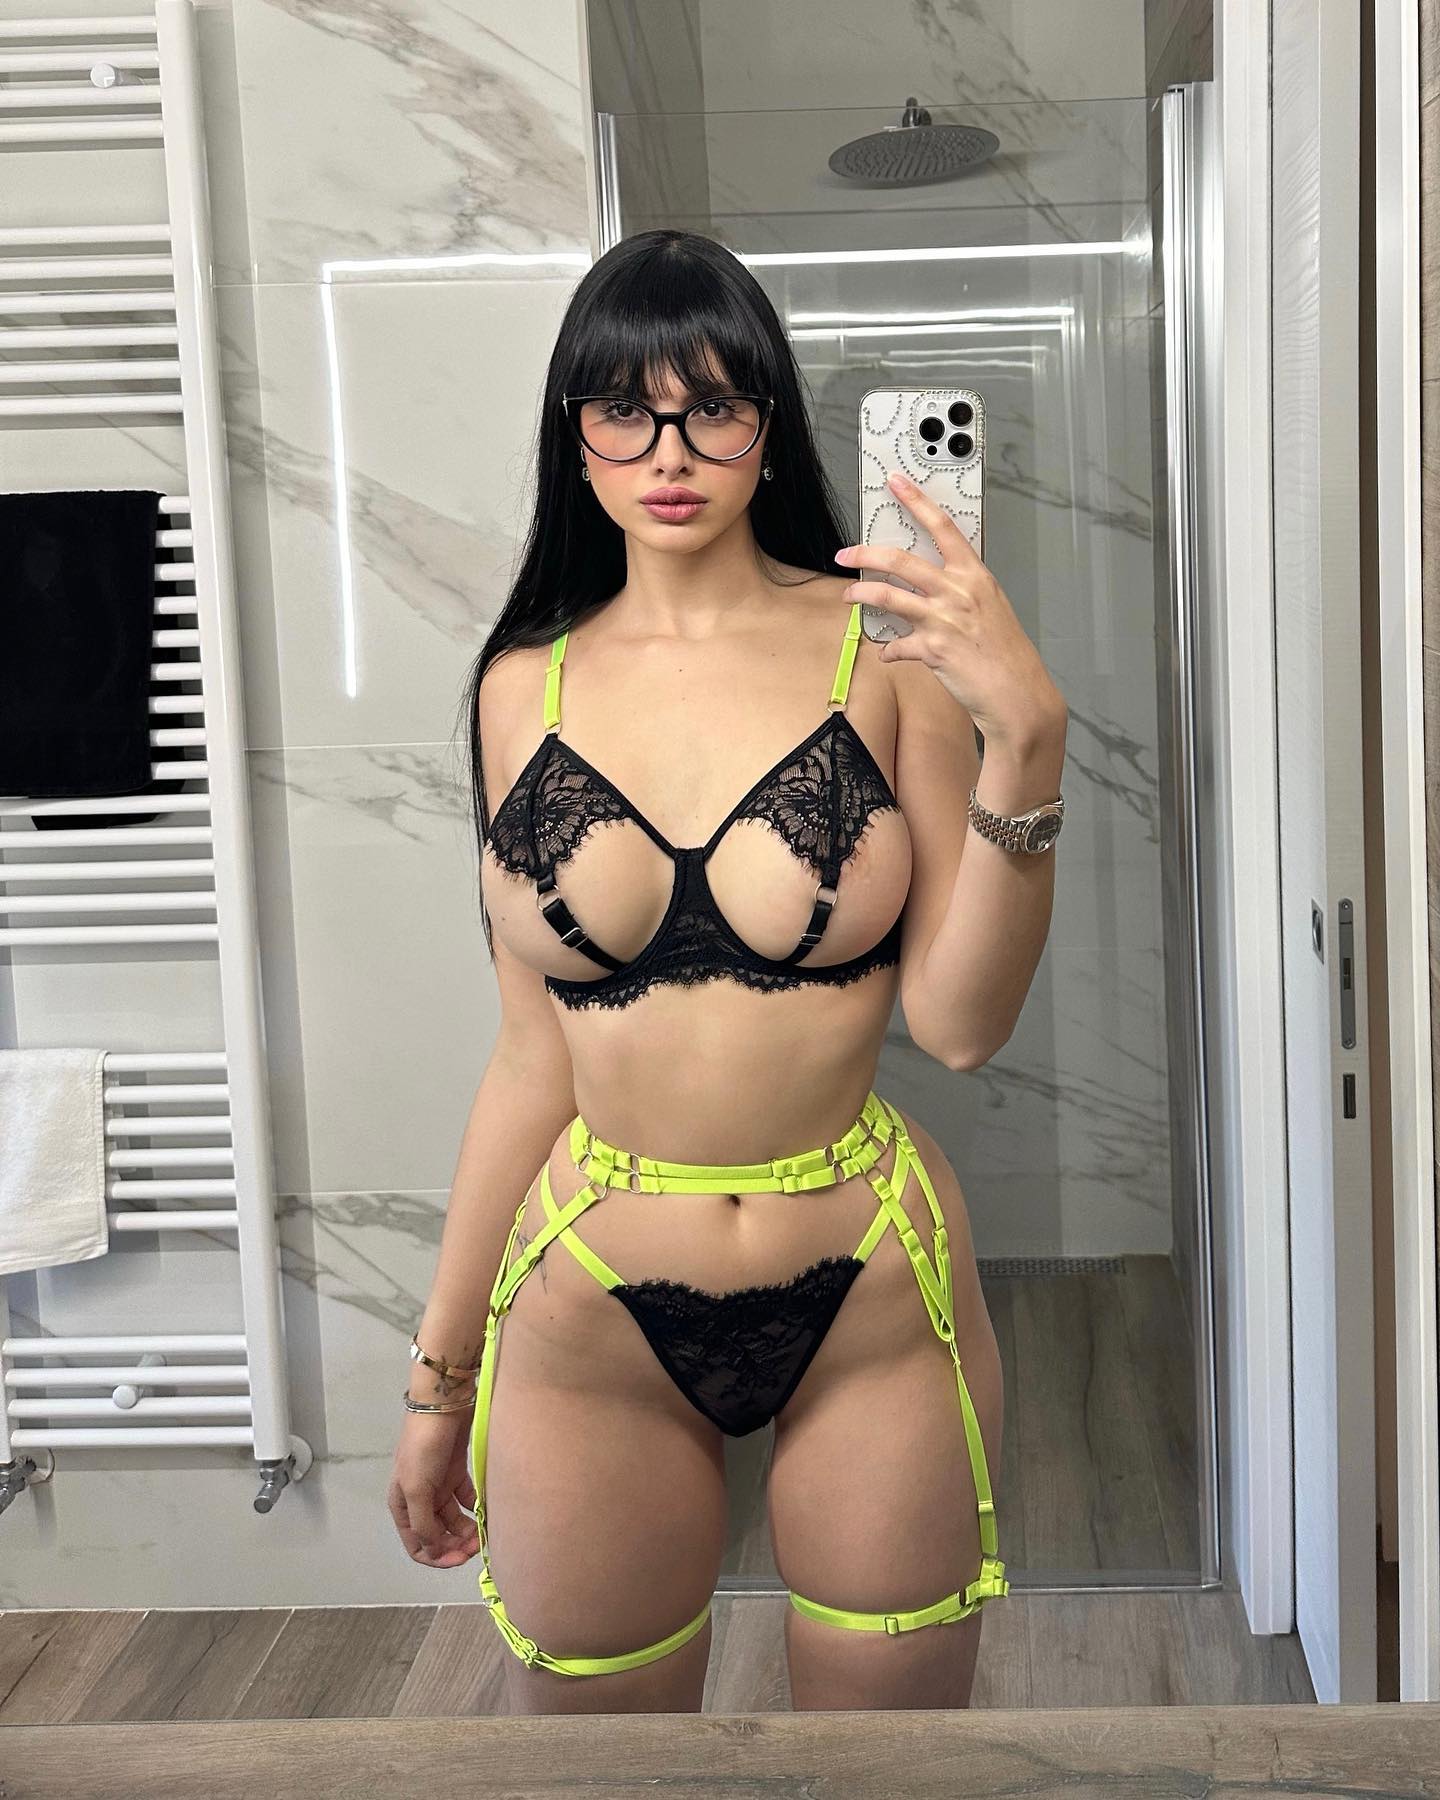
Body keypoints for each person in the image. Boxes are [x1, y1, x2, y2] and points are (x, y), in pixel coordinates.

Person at [387, 228, 1068, 1716]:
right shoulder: (521, 687)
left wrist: (1027, 739)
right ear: (573, 434)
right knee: (608, 1771)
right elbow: (531, 1060)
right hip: (590, 1304)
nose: (670, 453)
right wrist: (438, 1379)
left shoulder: (882, 658)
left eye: (714, 408)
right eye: (623, 411)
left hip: (870, 1282)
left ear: (770, 422)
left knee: (885, 1772)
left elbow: (960, 1025)